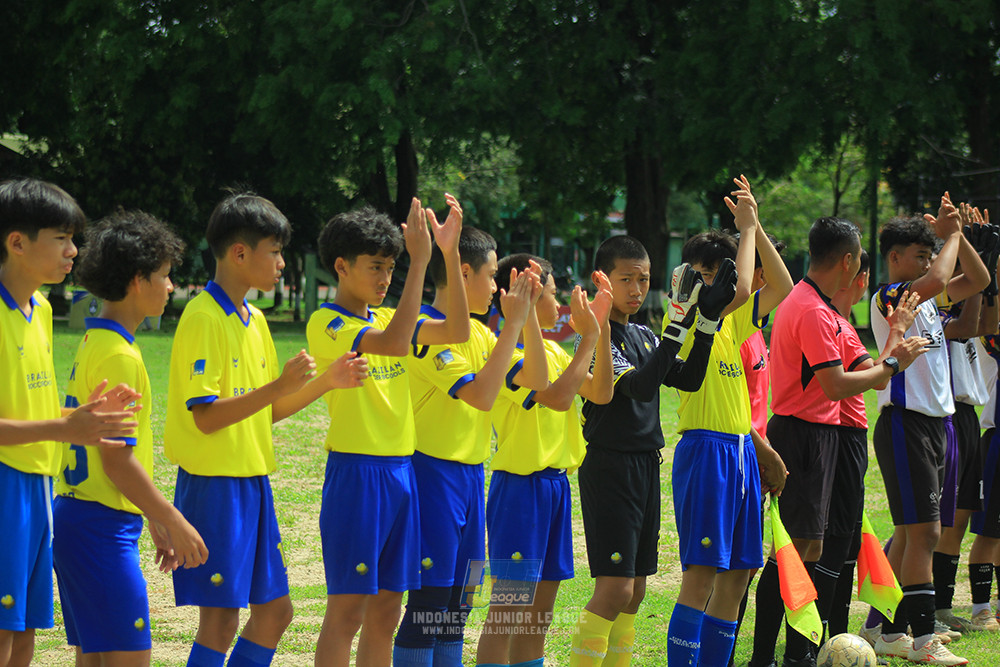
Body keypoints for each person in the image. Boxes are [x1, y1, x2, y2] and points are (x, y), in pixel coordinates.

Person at [165, 192, 367, 667]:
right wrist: (277, 384)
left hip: (253, 484)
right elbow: (207, 415)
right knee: (219, 621)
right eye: (274, 252)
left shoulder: (255, 320)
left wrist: (325, 382)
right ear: (240, 253)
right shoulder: (202, 317)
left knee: (275, 613)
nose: (282, 263)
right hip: (213, 486)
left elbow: (266, 411)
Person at [752, 214, 929, 667]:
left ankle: (799, 652)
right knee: (793, 551)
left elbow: (863, 375)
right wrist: (892, 363)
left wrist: (893, 344)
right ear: (848, 262)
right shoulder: (810, 308)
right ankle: (767, 656)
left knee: (809, 550)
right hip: (802, 435)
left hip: (821, 435)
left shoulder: (822, 307)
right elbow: (836, 385)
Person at [309, 196, 473, 667]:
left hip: (402, 474)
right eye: (375, 267)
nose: (385, 279)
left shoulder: (385, 315)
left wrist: (446, 252)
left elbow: (457, 329)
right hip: (359, 475)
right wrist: (418, 261)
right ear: (341, 267)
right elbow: (397, 343)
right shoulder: (328, 322)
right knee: (347, 612)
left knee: (387, 611)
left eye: (390, 268)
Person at [566, 217, 730, 667]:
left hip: (644, 464)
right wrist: (678, 327)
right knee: (615, 587)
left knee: (636, 591)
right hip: (610, 465)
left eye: (645, 279)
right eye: (626, 279)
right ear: (602, 280)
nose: (637, 289)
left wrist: (708, 322)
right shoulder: (595, 335)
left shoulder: (640, 333)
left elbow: (689, 378)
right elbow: (637, 387)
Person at [52, 210, 209, 665]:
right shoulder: (121, 355)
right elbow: (116, 460)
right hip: (99, 528)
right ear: (138, 280)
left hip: (79, 517)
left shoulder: (95, 340)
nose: (171, 286)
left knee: (94, 657)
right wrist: (172, 518)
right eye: (165, 276)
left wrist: (152, 518)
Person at [393, 225, 549, 667]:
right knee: (428, 604)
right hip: (431, 475)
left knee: (460, 603)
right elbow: (481, 396)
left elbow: (537, 381)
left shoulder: (483, 336)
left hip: (469, 478)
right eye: (491, 275)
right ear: (463, 272)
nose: (498, 287)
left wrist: (529, 316)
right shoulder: (426, 331)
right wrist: (512, 324)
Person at [0, 179, 139, 666]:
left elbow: (24, 409)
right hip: (5, 486)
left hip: (39, 485)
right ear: (17, 243)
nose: (74, 250)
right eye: (61, 238)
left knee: (23, 637)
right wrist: (65, 429)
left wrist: (82, 420)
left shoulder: (38, 308)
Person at [666, 176, 793, 666]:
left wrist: (754, 229)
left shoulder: (733, 322)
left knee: (740, 574)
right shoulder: (680, 321)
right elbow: (741, 286)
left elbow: (779, 283)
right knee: (701, 576)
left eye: (715, 273)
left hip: (739, 452)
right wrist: (743, 230)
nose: (710, 282)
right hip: (705, 451)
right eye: (700, 272)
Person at [474, 255, 614, 667]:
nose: (561, 306)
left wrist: (599, 329)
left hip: (554, 487)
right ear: (530, 298)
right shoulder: (508, 357)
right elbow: (556, 398)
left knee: (539, 616)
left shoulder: (552, 350)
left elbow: (601, 392)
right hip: (519, 489)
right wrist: (586, 340)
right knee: (507, 613)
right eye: (552, 295)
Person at [869, 195, 989, 665]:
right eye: (918, 254)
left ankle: (887, 629)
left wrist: (962, 236)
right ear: (895, 258)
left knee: (913, 534)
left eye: (928, 253)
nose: (927, 262)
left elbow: (977, 281)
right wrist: (950, 234)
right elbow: (940, 277)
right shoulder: (891, 296)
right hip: (906, 425)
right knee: (923, 536)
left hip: (938, 429)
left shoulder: (929, 306)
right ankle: (922, 640)